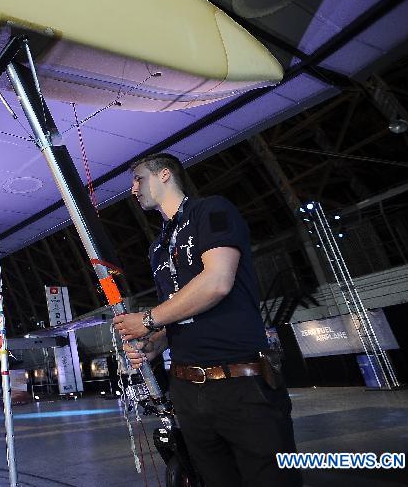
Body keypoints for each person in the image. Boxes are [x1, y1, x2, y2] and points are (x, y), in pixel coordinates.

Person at [113, 152, 301, 487]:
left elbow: (217, 282)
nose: (133, 188)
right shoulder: (158, 247)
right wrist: (154, 343)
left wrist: (149, 319)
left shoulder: (211, 210)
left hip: (241, 385)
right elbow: (178, 311)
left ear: (165, 174)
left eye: (138, 178)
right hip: (187, 390)